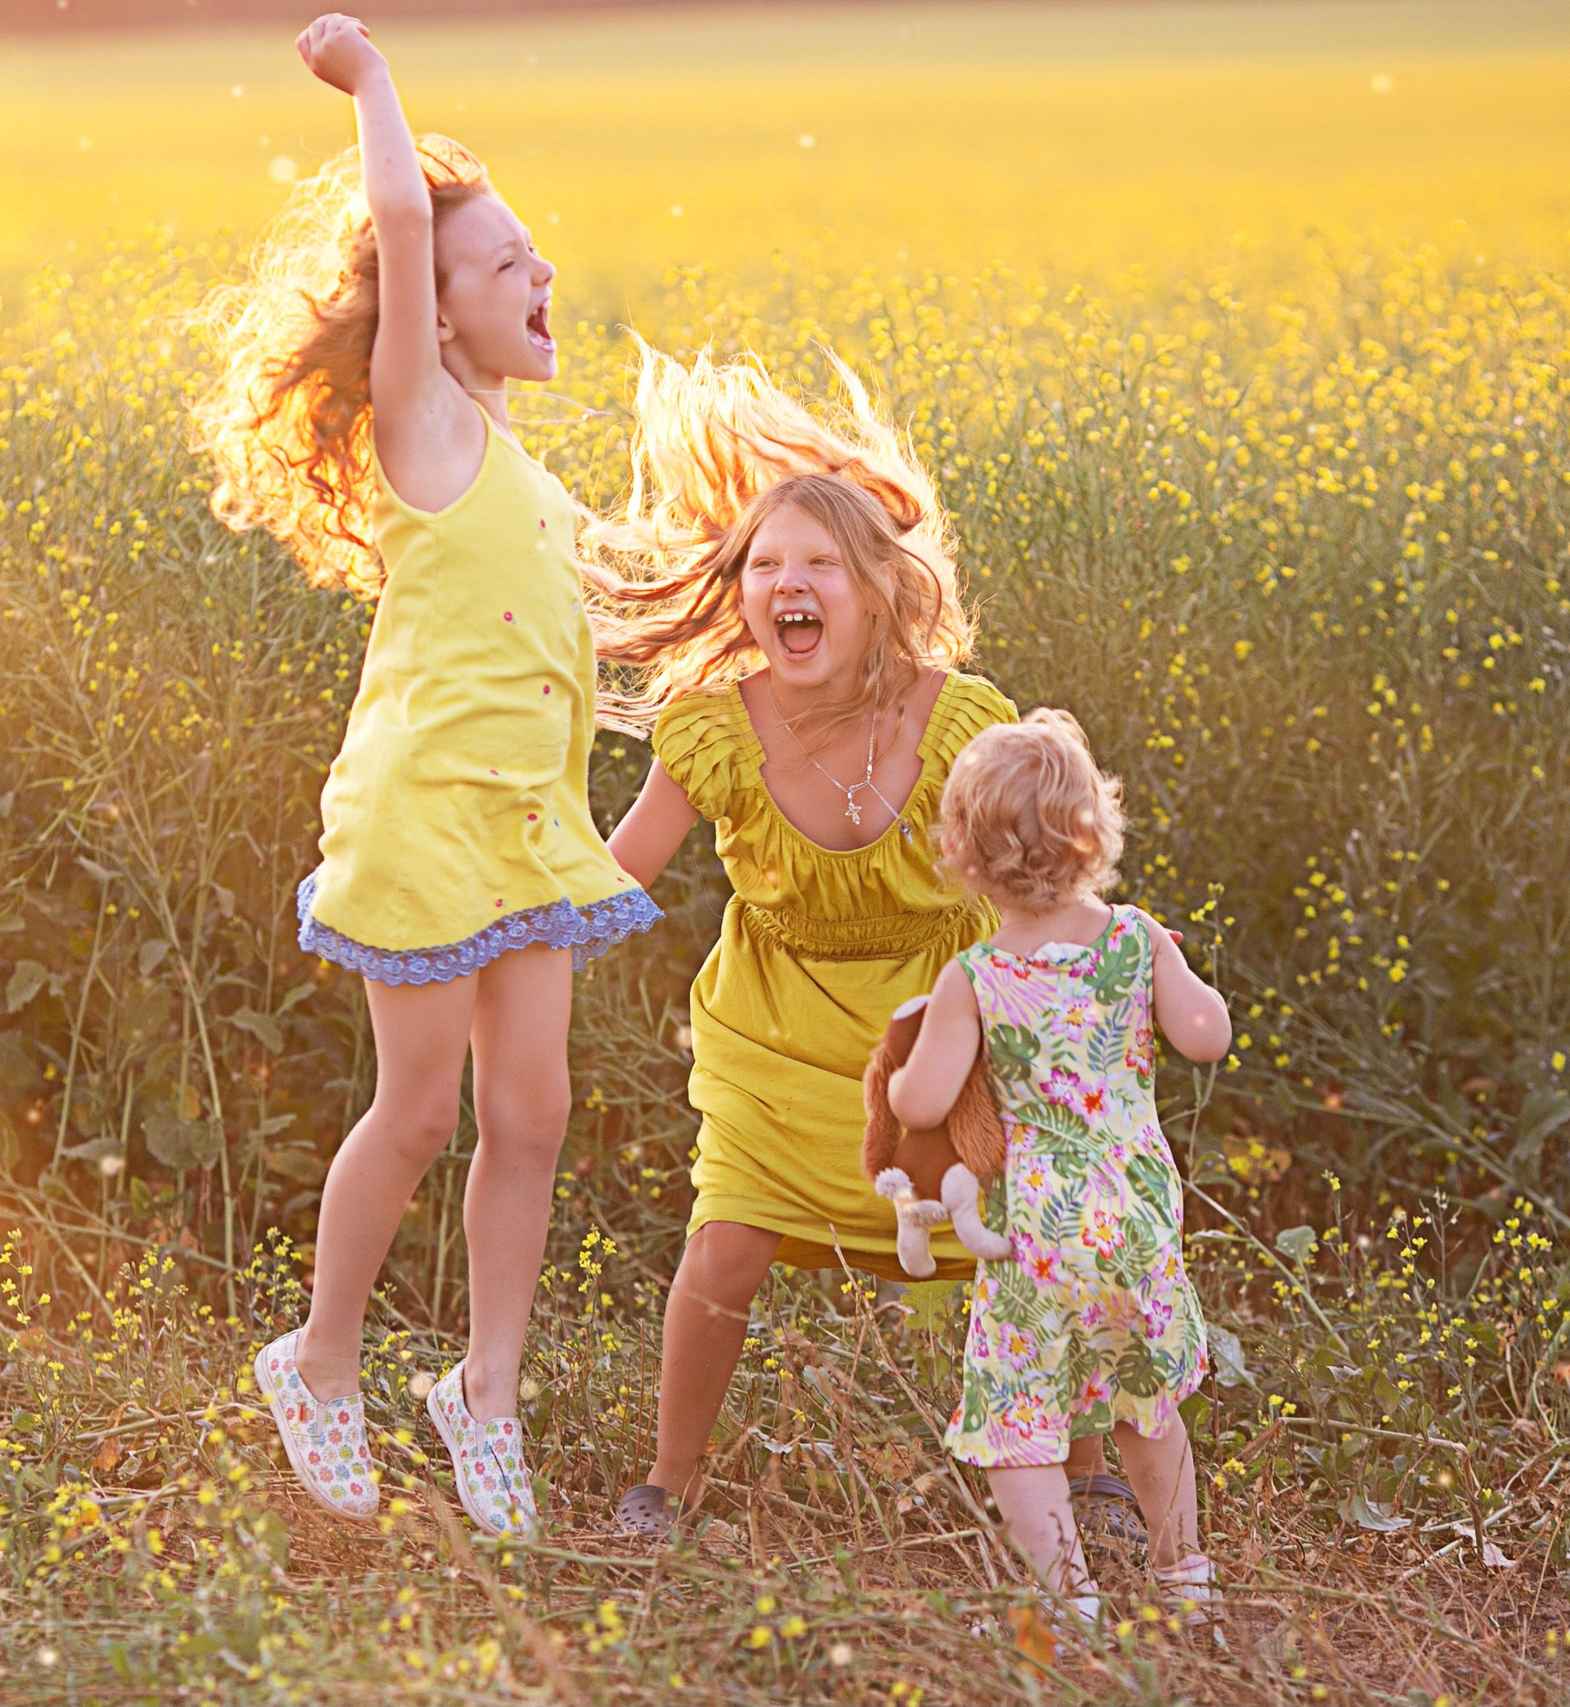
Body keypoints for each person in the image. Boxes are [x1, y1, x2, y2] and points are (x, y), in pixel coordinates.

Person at [191, 12, 659, 1538]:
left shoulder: (522, 469)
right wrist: (375, 82)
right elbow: (400, 216)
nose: (540, 274)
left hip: (526, 829)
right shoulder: (429, 427)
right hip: (423, 825)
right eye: (505, 262)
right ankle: (319, 1359)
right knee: (417, 1112)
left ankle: (484, 1390)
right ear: (434, 315)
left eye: (534, 253)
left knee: (533, 1112)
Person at [595, 349, 1014, 1536]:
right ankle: (669, 1479)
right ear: (741, 598)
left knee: (1020, 1247)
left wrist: (1095, 959)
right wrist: (497, 922)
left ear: (875, 591)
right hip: (772, 1029)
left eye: (819, 563)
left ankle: (1081, 1468)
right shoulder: (714, 733)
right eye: (764, 565)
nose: (788, 582)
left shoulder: (960, 720)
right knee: (726, 1245)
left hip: (940, 1027)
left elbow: (1032, 870)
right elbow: (615, 877)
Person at [887, 709, 1227, 1625]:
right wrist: (1175, 972)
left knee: (1020, 1423)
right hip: (1134, 1220)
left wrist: (904, 1064)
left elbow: (921, 1103)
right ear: (1094, 831)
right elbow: (1207, 1035)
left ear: (963, 853)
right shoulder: (1135, 938)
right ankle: (1184, 1574)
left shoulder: (976, 976)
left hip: (1037, 1233)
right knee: (1146, 1402)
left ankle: (1070, 1601)